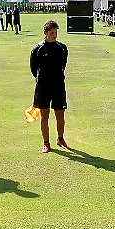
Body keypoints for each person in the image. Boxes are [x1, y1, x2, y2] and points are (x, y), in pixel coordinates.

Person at [30, 20, 69, 153]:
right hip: (43, 87)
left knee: (60, 115)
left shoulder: (62, 48)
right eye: (52, 32)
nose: (55, 35)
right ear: (46, 33)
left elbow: (63, 65)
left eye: (56, 32)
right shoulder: (38, 49)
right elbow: (33, 68)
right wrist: (41, 78)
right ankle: (46, 143)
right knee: (44, 116)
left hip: (58, 86)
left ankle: (60, 138)